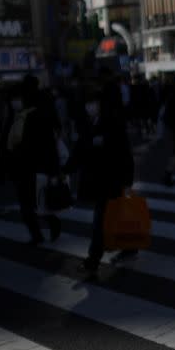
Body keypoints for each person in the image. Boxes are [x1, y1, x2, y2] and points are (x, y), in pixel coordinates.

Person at [65, 84, 135, 275]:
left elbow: (125, 153)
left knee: (100, 221)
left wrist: (128, 181)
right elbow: (80, 149)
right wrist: (67, 168)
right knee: (112, 216)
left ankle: (93, 259)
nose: (90, 106)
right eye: (88, 103)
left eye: (93, 103)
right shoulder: (87, 124)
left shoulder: (112, 122)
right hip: (98, 180)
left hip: (112, 179)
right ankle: (129, 246)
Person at [7, 83, 62, 245]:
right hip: (29, 167)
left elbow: (48, 145)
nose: (14, 102)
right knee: (31, 202)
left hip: (32, 166)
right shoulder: (20, 116)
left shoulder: (34, 117)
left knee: (32, 202)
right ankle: (43, 229)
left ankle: (44, 228)